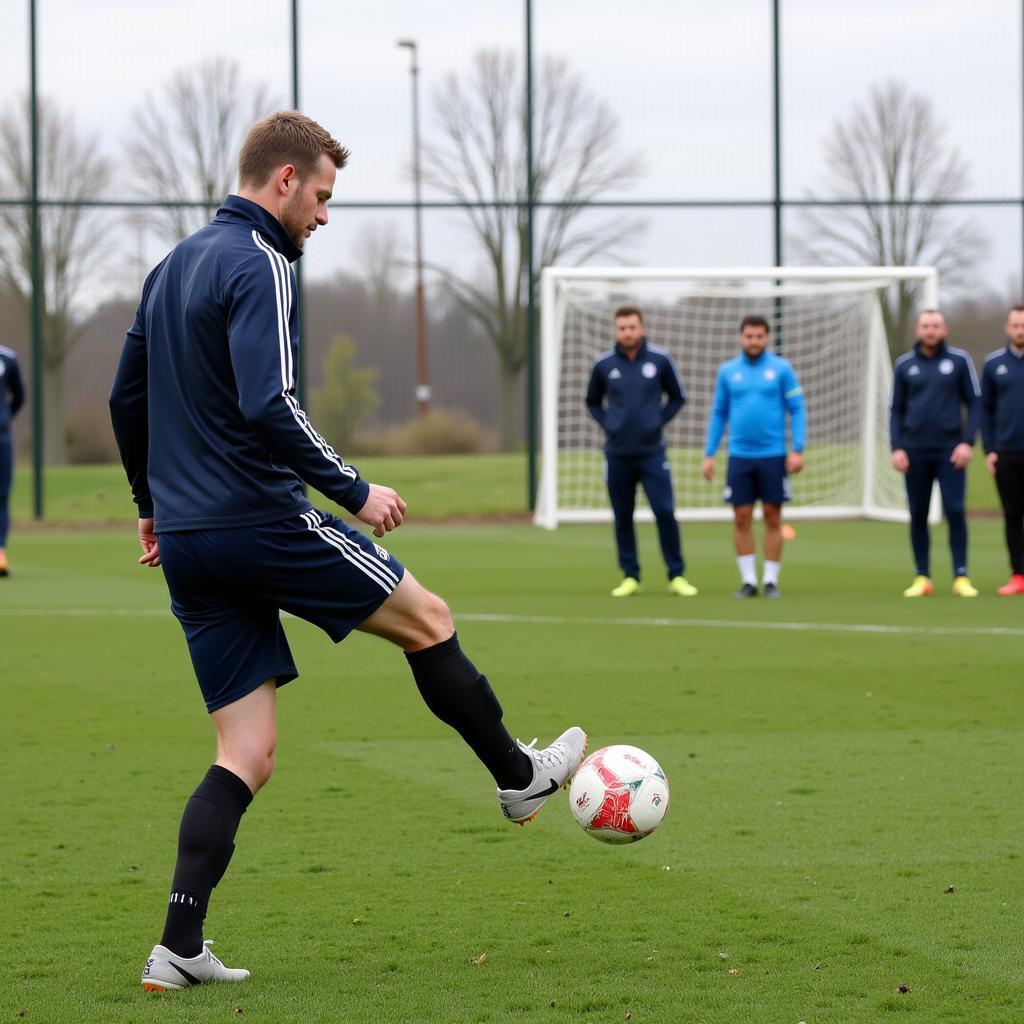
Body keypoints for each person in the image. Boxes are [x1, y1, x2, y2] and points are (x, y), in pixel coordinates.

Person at [109, 111, 586, 994]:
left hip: (187, 540)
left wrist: (150, 507)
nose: (324, 217)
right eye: (322, 197)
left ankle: (176, 947)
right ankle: (518, 778)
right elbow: (270, 403)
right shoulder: (262, 261)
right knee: (429, 620)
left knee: (244, 753)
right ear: (283, 180)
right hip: (262, 521)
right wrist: (355, 489)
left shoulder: (171, 266)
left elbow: (123, 396)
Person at [585, 306, 698, 598]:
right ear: (616, 330)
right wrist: (609, 423)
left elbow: (677, 397)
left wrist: (656, 421)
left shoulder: (660, 360)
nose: (627, 333)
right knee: (623, 515)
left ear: (642, 328)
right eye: (622, 328)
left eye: (632, 327)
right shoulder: (604, 364)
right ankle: (630, 575)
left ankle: (677, 574)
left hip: (652, 453)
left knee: (664, 511)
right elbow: (593, 401)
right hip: (617, 454)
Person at [702, 315, 805, 598]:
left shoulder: (781, 369)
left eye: (759, 336)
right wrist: (709, 453)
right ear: (741, 337)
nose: (754, 341)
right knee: (741, 517)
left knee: (773, 516)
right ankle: (749, 581)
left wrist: (798, 448)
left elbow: (797, 408)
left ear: (767, 338)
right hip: (740, 456)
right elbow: (719, 413)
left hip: (773, 455)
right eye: (749, 336)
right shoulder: (728, 371)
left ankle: (771, 580)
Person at [890, 309, 980, 598]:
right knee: (918, 513)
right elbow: (896, 410)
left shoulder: (959, 361)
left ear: (945, 329)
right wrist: (897, 447)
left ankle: (961, 576)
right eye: (925, 325)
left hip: (950, 451)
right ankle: (922, 576)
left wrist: (967, 442)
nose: (930, 330)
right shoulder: (904, 365)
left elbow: (975, 404)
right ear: (918, 329)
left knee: (955, 510)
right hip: (915, 451)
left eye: (936, 325)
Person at [981, 305, 1024, 595]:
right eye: (1015, 325)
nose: (1020, 330)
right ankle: (1018, 575)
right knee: (1013, 514)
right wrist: (990, 449)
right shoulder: (993, 364)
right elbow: (985, 410)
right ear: (1007, 328)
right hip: (1007, 452)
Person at [0, 344, 25, 577]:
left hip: (1, 439)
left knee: (2, 495)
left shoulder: (7, 358)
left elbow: (19, 396)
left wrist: (3, 419)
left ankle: (0, 552)